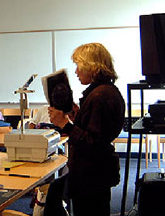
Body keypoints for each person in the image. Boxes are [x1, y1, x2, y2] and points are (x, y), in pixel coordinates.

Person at [45, 43, 125, 216]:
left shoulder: (99, 96)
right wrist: (79, 117)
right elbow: (99, 132)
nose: (76, 71)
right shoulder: (107, 91)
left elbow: (92, 142)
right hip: (97, 173)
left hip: (91, 175)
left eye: (79, 66)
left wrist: (64, 124)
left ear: (92, 66)